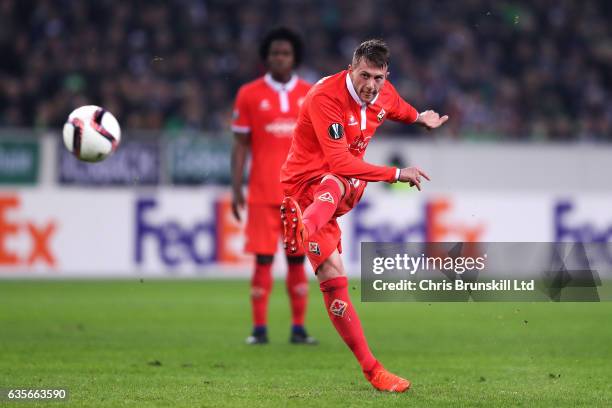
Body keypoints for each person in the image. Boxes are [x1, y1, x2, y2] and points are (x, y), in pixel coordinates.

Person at [280, 39, 448, 392]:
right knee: (333, 277)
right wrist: (397, 174)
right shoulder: (325, 98)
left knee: (339, 179)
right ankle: (373, 371)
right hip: (304, 186)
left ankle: (303, 229)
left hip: (336, 187)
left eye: (379, 77)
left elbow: (398, 107)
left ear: (387, 75)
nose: (371, 85)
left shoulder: (382, 94)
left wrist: (421, 119)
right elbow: (339, 162)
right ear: (350, 70)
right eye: (364, 76)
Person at [231, 27, 317, 345]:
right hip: (262, 193)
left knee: (297, 260)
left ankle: (298, 328)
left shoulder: (311, 94)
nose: (279, 58)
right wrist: (236, 187)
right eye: (274, 53)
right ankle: (259, 329)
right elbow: (240, 145)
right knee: (263, 260)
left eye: (285, 53)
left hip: (299, 196)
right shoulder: (249, 94)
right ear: (266, 58)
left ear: (294, 58)